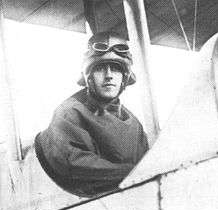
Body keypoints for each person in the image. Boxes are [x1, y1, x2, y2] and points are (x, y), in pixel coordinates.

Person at [35, 31, 149, 198]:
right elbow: (75, 163)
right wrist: (136, 171)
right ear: (89, 77)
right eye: (100, 69)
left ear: (125, 77)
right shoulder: (69, 113)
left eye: (116, 69)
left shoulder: (134, 124)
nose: (109, 75)